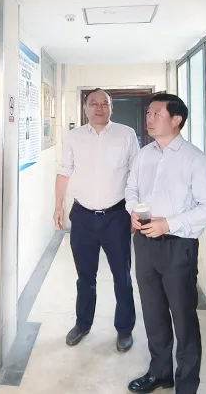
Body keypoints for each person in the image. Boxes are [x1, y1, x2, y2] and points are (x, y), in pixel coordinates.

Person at [125, 93, 206, 394]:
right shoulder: (144, 154)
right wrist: (132, 210)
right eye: (148, 113)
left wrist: (168, 223)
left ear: (176, 120)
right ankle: (160, 372)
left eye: (156, 113)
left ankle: (186, 384)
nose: (149, 118)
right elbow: (131, 188)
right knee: (153, 313)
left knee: (183, 317)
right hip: (145, 244)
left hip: (178, 247)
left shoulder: (194, 159)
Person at [54, 88, 139, 352]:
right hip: (83, 217)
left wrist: (136, 212)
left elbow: (137, 174)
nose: (99, 108)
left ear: (112, 107)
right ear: (85, 108)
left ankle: (124, 329)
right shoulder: (74, 137)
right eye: (94, 103)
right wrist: (58, 205)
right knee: (85, 276)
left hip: (117, 216)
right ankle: (82, 324)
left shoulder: (126, 134)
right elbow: (64, 171)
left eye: (105, 103)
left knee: (122, 276)